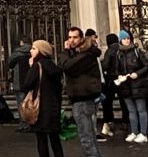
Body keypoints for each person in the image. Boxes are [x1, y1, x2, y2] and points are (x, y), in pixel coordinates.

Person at [59, 28, 103, 157]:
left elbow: (66, 66)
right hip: (83, 97)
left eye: (75, 37)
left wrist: (66, 51)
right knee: (89, 134)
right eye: (69, 37)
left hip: (83, 98)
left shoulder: (87, 55)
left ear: (82, 38)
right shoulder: (82, 53)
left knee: (86, 137)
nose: (71, 40)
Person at [111, 31, 148, 144]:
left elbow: (146, 65)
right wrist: (119, 75)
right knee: (131, 111)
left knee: (141, 109)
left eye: (128, 38)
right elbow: (116, 69)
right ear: (120, 40)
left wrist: (137, 74)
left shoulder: (137, 51)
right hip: (125, 86)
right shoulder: (118, 54)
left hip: (138, 84)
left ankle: (143, 133)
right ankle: (134, 131)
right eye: (124, 39)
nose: (127, 40)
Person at [28, 38, 67, 157]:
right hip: (53, 107)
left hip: (40, 108)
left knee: (41, 139)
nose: (31, 51)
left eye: (34, 48)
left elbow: (27, 85)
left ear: (41, 51)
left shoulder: (37, 66)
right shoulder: (54, 68)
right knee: (55, 140)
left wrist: (31, 67)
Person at [99, 30, 124, 137]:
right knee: (124, 101)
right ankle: (125, 121)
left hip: (111, 79)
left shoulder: (109, 51)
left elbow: (105, 65)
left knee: (108, 102)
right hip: (121, 78)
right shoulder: (121, 49)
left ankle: (109, 121)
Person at [10, 42, 36, 133]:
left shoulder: (16, 54)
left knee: (21, 104)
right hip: (31, 81)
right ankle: (32, 123)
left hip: (19, 82)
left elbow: (10, 64)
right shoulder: (33, 52)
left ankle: (23, 124)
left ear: (21, 42)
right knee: (32, 103)